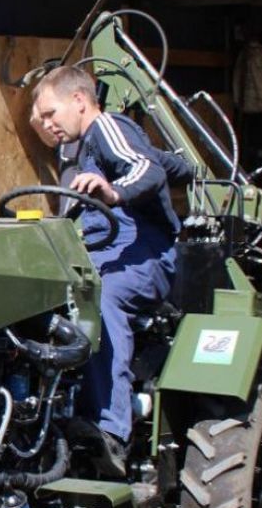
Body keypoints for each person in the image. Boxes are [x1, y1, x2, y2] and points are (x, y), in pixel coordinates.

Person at [31, 66, 190, 476]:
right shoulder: (77, 149)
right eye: (42, 117)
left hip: (141, 252)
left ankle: (110, 429)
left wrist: (114, 192)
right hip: (98, 251)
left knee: (99, 297)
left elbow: (146, 169)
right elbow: (166, 164)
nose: (46, 124)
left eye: (52, 113)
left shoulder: (106, 128)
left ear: (80, 101)